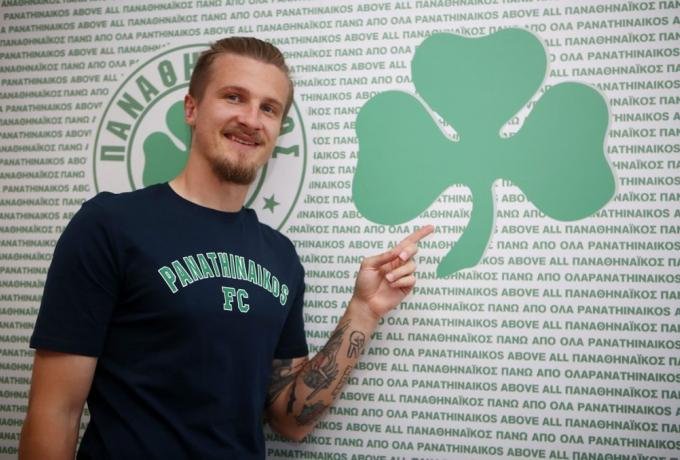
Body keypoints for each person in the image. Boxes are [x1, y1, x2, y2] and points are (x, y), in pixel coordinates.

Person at [19, 37, 433, 459]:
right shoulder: (110, 225)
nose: (251, 119)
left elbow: (291, 418)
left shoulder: (280, 257)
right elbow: (55, 413)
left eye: (268, 108)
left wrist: (363, 311)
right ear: (191, 108)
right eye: (234, 97)